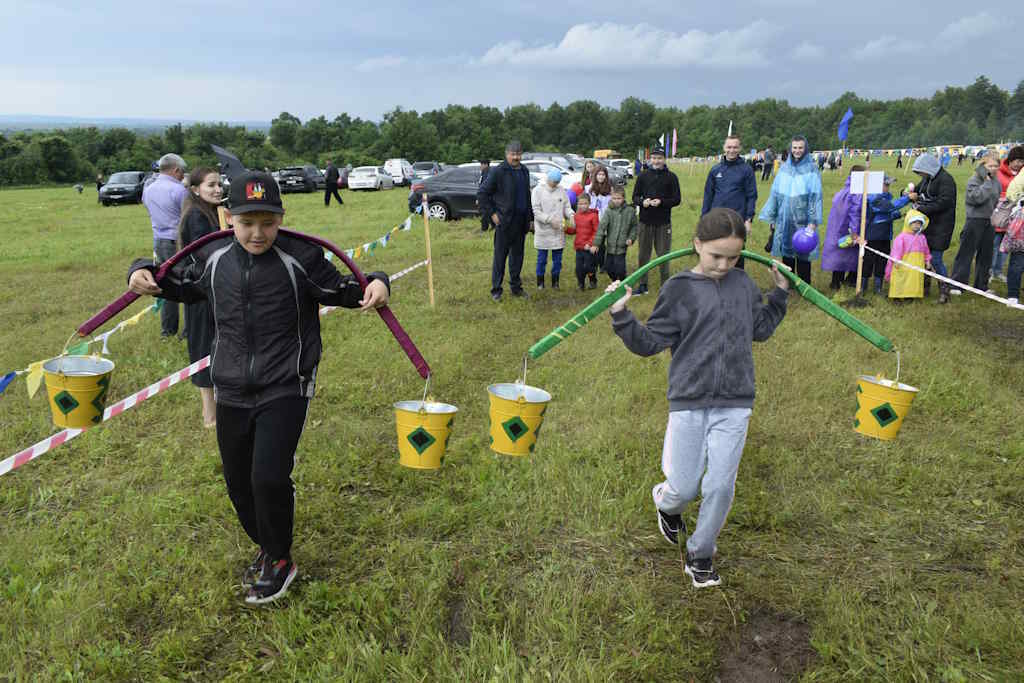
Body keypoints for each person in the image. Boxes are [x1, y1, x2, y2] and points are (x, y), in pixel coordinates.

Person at [126, 171, 390, 604]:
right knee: (238, 483)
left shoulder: (300, 256)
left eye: (267, 222)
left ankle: (281, 558)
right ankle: (267, 545)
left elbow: (346, 288)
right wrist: (139, 270)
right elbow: (173, 281)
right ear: (228, 217)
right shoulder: (211, 256)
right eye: (247, 222)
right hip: (230, 385)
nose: (257, 232)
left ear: (280, 218)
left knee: (267, 477)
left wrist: (377, 281)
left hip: (286, 384)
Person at [607, 207, 788, 588]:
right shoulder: (679, 289)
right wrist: (622, 316)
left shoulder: (743, 286)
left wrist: (779, 296)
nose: (724, 265)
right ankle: (667, 503)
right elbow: (650, 342)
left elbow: (761, 330)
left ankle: (701, 553)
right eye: (716, 256)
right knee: (684, 487)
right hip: (689, 400)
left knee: (720, 486)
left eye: (734, 257)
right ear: (696, 245)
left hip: (736, 402)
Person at [176, 167, 222, 427]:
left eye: (219, 184)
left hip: (212, 290)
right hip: (200, 292)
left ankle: (216, 410)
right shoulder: (196, 216)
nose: (217, 189)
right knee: (204, 348)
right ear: (195, 189)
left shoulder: (211, 212)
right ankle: (209, 416)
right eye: (211, 185)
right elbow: (207, 253)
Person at [759, 136, 822, 285]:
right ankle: (790, 283)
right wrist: (773, 217)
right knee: (786, 250)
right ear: (790, 149)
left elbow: (815, 196)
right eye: (795, 148)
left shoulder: (812, 169)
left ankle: (805, 285)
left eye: (800, 147)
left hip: (803, 219)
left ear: (805, 149)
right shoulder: (784, 168)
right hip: (784, 217)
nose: (797, 151)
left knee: (803, 251)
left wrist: (812, 222)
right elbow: (775, 193)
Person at [478, 141, 533, 300]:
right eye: (512, 154)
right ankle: (496, 290)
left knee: (517, 257)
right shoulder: (498, 171)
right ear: (506, 154)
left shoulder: (524, 171)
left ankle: (516, 288)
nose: (516, 157)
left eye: (518, 154)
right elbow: (482, 194)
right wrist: (492, 214)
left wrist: (530, 219)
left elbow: (527, 197)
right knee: (500, 257)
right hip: (504, 222)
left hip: (521, 222)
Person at [141, 153, 188, 337]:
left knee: (167, 286)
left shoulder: (149, 189)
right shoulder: (179, 190)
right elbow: (187, 216)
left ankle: (167, 330)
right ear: (176, 170)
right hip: (177, 242)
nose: (183, 176)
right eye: (182, 172)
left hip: (158, 241)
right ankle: (187, 332)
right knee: (186, 284)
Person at [701, 134, 757, 270]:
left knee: (736, 255)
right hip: (717, 220)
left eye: (735, 147)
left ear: (740, 148)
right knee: (715, 252)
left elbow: (751, 196)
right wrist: (704, 219)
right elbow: (708, 196)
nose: (731, 150)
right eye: (729, 147)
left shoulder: (747, 170)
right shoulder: (715, 170)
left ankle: (737, 285)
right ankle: (716, 282)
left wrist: (748, 220)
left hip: (737, 220)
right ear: (724, 148)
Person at [908, 153, 957, 303]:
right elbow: (916, 191)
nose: (921, 175)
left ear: (929, 168)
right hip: (927, 225)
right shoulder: (927, 178)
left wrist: (922, 209)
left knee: (935, 259)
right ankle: (924, 288)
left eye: (921, 171)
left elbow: (945, 202)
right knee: (924, 258)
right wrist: (908, 193)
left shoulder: (946, 180)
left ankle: (945, 290)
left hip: (942, 225)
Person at [631, 146, 681, 295]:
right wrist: (642, 202)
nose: (656, 161)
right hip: (645, 222)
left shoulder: (671, 177)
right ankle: (642, 285)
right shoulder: (643, 176)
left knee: (663, 255)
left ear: (664, 159)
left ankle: (665, 286)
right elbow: (634, 197)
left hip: (663, 222)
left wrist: (662, 202)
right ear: (650, 159)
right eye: (654, 158)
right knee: (643, 255)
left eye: (659, 158)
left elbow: (677, 199)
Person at [950, 154, 1002, 294]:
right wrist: (986, 183)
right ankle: (957, 285)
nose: (994, 168)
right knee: (966, 253)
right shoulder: (975, 180)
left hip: (989, 221)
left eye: (996, 166)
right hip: (974, 220)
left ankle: (981, 285)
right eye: (990, 166)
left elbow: (996, 199)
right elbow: (976, 198)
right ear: (983, 166)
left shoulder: (996, 182)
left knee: (986, 255)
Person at [861, 175, 910, 294]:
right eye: (886, 185)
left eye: (888, 185)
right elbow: (888, 207)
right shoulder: (872, 198)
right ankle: (863, 286)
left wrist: (898, 215)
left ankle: (878, 287)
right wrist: (907, 199)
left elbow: (886, 215)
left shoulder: (887, 197)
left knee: (882, 261)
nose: (888, 187)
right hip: (872, 236)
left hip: (885, 236)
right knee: (868, 261)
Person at [821, 165, 865, 291]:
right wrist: (855, 232)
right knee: (851, 255)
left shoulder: (844, 190)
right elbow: (855, 212)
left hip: (838, 227)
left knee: (839, 254)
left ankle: (836, 281)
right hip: (848, 229)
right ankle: (850, 280)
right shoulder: (856, 193)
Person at [531, 169, 574, 289]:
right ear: (548, 179)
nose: (554, 184)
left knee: (557, 260)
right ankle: (540, 282)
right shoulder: (537, 191)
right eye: (553, 182)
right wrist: (549, 220)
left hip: (558, 231)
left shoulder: (561, 190)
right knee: (542, 259)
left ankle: (555, 281)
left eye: (557, 182)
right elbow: (536, 212)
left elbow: (566, 206)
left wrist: (571, 215)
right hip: (543, 231)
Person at [991, 146, 1024, 283]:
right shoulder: (999, 173)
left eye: (1022, 161)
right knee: (994, 244)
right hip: (1000, 214)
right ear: (1010, 160)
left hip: (1016, 218)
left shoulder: (1022, 174)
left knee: (1006, 246)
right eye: (1017, 160)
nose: (1019, 164)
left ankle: (998, 271)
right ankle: (990, 270)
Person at [591, 187, 638, 282]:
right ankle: (614, 281)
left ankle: (622, 282)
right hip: (610, 246)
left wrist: (631, 238)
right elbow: (601, 228)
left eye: (619, 198)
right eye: (614, 198)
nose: (616, 201)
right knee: (608, 268)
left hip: (622, 245)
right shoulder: (609, 211)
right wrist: (596, 244)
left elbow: (634, 227)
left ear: (623, 198)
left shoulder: (630, 211)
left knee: (620, 269)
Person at [886, 210, 932, 301]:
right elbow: (896, 250)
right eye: (914, 223)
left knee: (913, 281)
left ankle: (910, 296)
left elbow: (926, 250)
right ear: (908, 223)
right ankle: (897, 297)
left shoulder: (922, 237)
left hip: (916, 265)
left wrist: (927, 260)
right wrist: (896, 260)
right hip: (903, 264)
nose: (916, 225)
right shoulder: (902, 237)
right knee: (901, 279)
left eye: (919, 223)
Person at [570, 193, 600, 290]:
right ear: (577, 205)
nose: (582, 206)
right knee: (579, 268)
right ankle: (581, 284)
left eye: (585, 204)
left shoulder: (593, 216)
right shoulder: (576, 216)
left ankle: (592, 280)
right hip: (579, 247)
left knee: (589, 267)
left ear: (589, 204)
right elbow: (575, 230)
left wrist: (590, 243)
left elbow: (596, 231)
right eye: (580, 204)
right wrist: (566, 229)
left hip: (589, 248)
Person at [478, 160, 491, 232]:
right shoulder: (485, 172)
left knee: (484, 213)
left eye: (481, 164)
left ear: (486, 165)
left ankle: (484, 228)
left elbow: (484, 185)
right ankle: (493, 226)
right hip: (484, 196)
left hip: (485, 196)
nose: (480, 166)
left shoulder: (487, 172)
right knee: (488, 212)